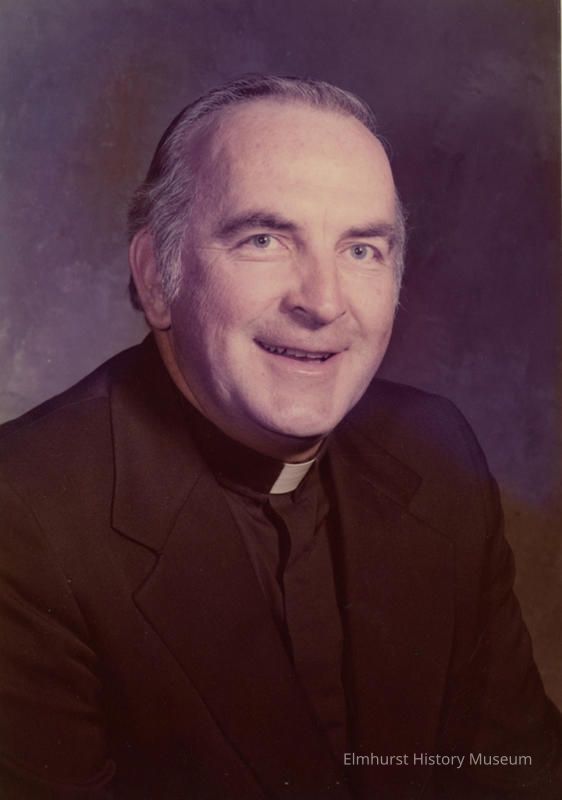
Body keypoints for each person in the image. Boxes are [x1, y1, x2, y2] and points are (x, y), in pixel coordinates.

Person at [0, 74, 560, 800]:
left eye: (362, 250)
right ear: (158, 276)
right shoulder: (24, 517)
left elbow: (519, 773)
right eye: (264, 240)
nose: (323, 303)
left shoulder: (435, 450)